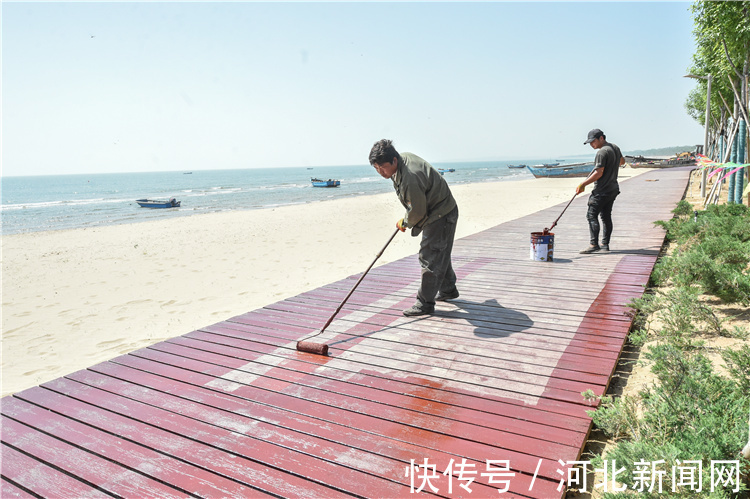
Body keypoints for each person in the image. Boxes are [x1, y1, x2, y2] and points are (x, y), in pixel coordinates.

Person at [369, 139, 459, 316]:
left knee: (429, 256)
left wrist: (406, 221)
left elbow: (417, 210)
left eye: (383, 167)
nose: (380, 172)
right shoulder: (402, 161)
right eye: (376, 168)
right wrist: (408, 219)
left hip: (441, 213)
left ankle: (424, 304)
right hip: (439, 209)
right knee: (439, 250)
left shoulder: (410, 176)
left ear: (394, 160)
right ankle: (448, 289)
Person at [576, 128, 625, 254]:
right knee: (606, 216)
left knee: (591, 215)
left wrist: (583, 184)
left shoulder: (602, 152)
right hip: (613, 189)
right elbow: (622, 161)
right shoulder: (614, 147)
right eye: (590, 143)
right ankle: (605, 244)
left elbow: (598, 173)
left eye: (593, 141)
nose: (592, 144)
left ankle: (594, 245)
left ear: (601, 138)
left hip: (602, 191)